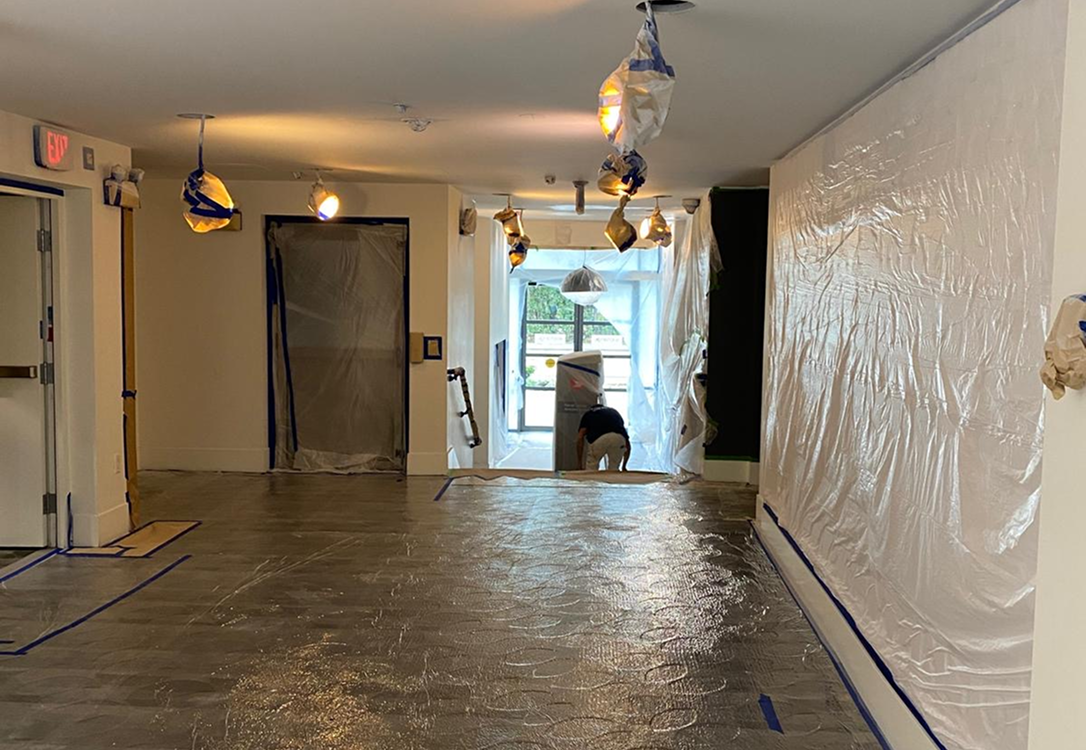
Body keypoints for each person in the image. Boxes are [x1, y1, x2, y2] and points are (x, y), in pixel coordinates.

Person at [577, 404, 631, 472]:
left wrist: (579, 463)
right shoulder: (614, 412)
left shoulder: (589, 413)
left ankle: (591, 476)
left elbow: (580, 437)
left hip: (599, 439)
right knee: (614, 469)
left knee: (591, 468)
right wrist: (624, 466)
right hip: (619, 438)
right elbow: (627, 443)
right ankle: (613, 474)